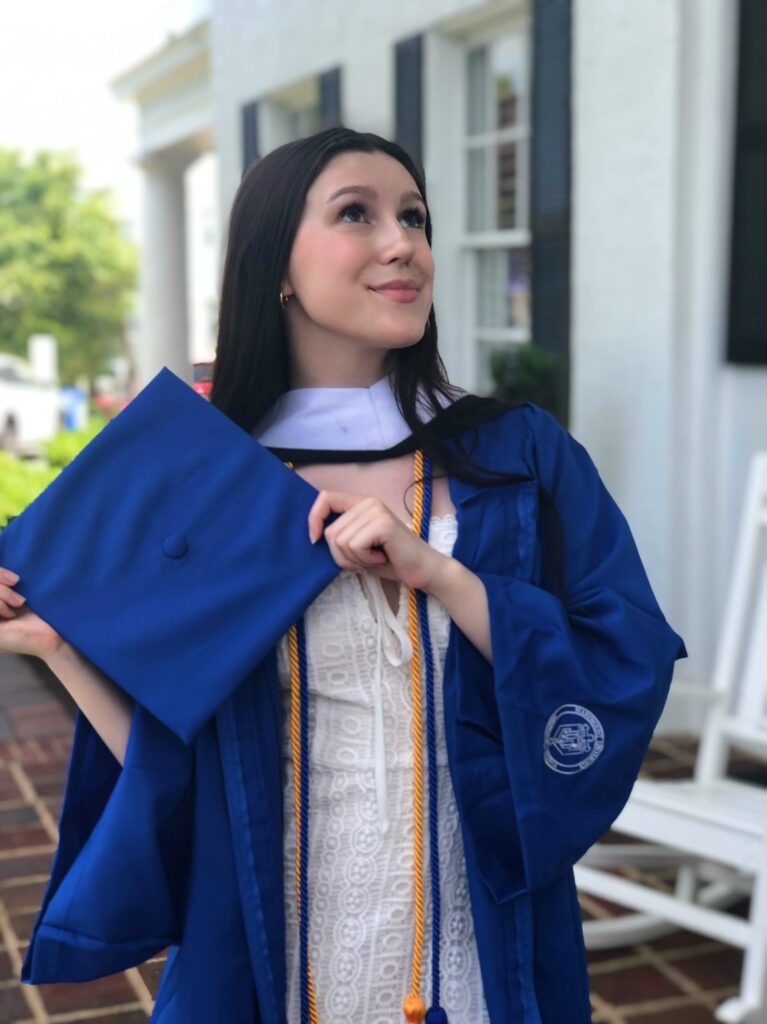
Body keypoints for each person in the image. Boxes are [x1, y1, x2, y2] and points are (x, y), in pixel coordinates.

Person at [0, 127, 687, 1024]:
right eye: (355, 214)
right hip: (276, 941)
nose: (401, 243)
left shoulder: (518, 454)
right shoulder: (204, 477)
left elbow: (623, 653)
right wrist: (57, 648)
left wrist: (436, 573)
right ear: (274, 264)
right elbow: (180, 767)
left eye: (413, 216)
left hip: (470, 934)